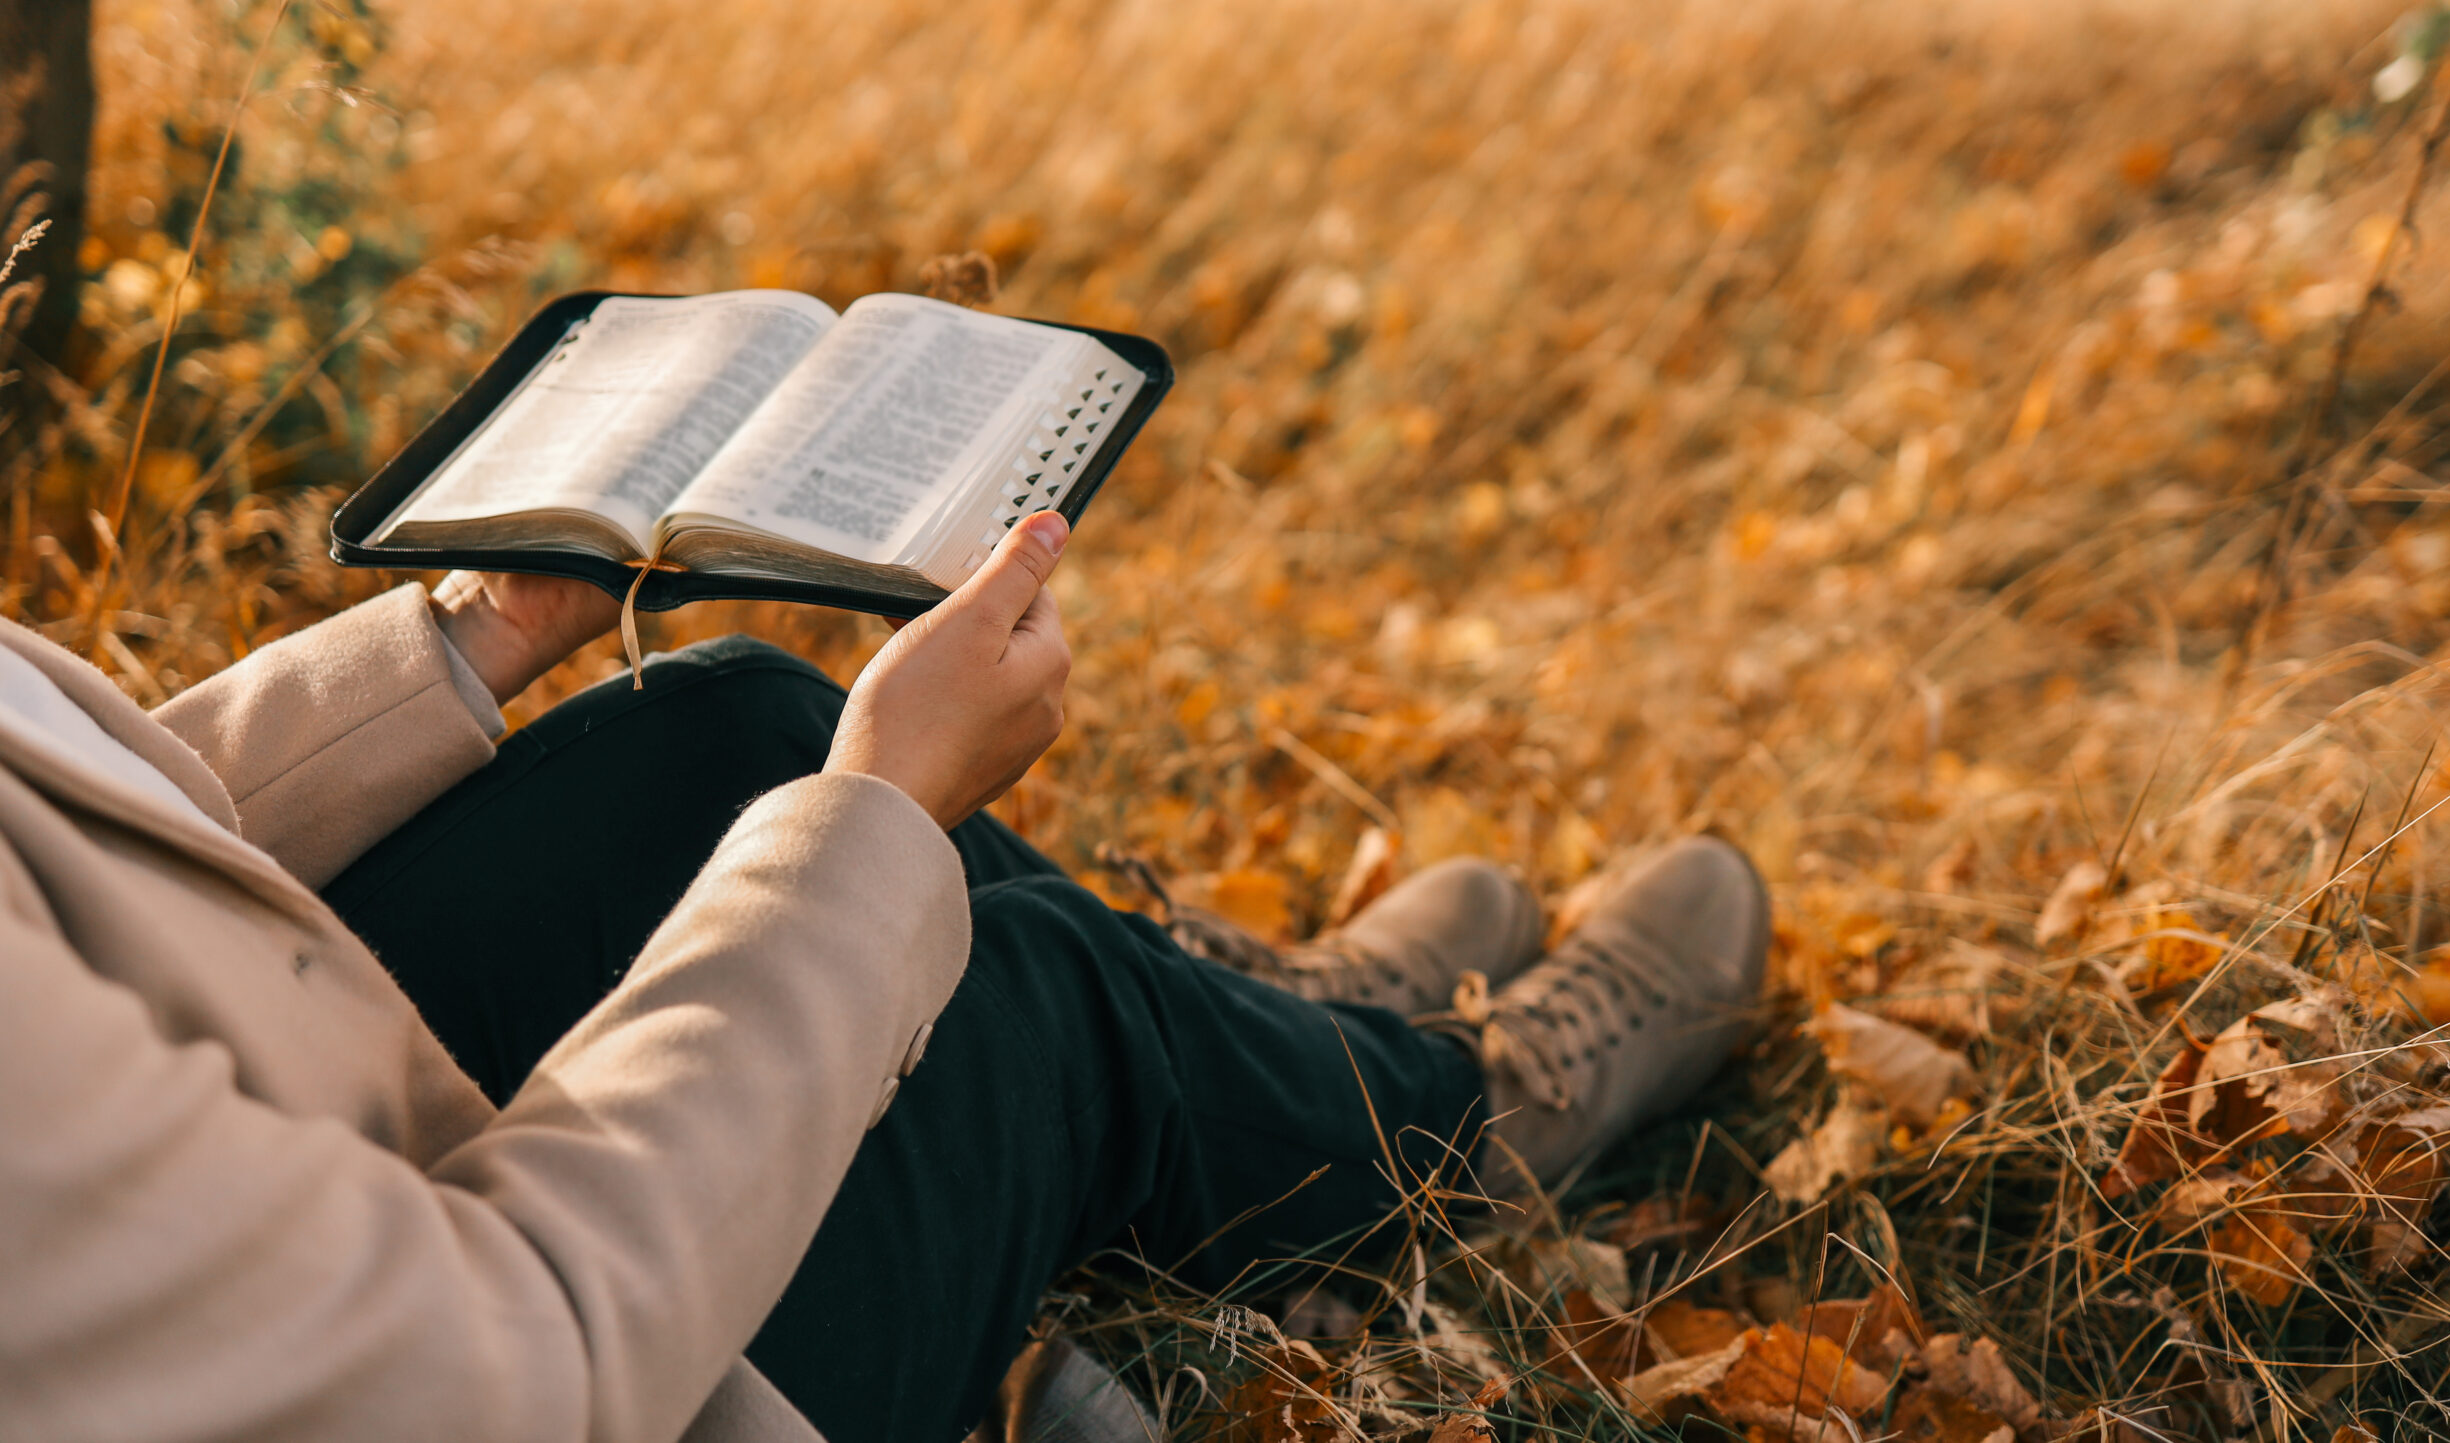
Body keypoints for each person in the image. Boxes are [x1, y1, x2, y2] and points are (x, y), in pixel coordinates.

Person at [0, 510, 1768, 1443]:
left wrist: (473, 633)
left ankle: (1262, 1043)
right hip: (556, 1381)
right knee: (1031, 997)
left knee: (731, 721)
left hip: (282, 1165)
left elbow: (70, 850)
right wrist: (875, 822)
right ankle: (1458, 1123)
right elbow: (497, 1374)